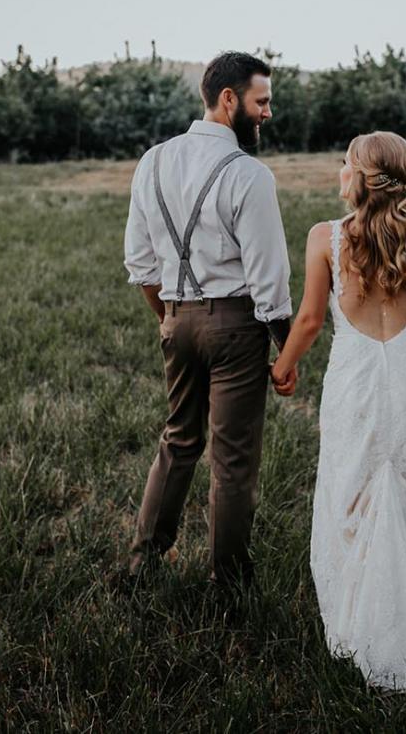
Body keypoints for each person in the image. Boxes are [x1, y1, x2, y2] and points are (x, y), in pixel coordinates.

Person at [270, 131, 406, 690]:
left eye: (344, 164)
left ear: (360, 178)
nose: (338, 172)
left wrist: (283, 366)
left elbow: (309, 320)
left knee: (352, 485)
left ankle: (360, 622)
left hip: (354, 379)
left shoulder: (325, 238)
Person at [119, 51, 295, 592]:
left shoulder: (152, 162)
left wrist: (170, 319)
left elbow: (140, 262)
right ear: (228, 99)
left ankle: (142, 561)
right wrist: (285, 352)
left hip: (176, 320)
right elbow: (270, 280)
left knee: (178, 441)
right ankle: (230, 584)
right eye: (261, 101)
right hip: (238, 329)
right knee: (233, 462)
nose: (267, 112)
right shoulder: (249, 174)